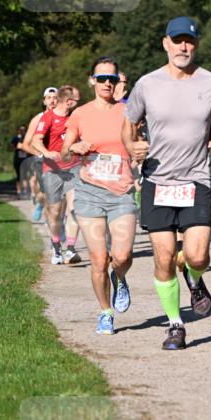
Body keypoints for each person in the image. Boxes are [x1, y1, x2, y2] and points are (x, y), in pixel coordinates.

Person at [122, 16, 211, 351]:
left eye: (190, 41)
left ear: (196, 44)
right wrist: (132, 147)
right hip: (157, 180)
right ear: (165, 43)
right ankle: (175, 324)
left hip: (197, 179)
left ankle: (195, 278)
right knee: (164, 256)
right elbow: (129, 124)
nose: (183, 46)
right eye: (177, 40)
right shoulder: (147, 84)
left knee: (197, 256)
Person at [60, 58, 137, 334]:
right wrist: (76, 146)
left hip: (122, 190)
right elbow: (65, 151)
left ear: (118, 82)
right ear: (92, 80)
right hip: (89, 191)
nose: (107, 83)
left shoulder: (129, 111)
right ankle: (105, 312)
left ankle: (121, 277)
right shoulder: (80, 114)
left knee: (122, 255)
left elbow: (137, 144)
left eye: (112, 79)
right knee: (98, 259)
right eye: (102, 78)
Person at [30, 85, 82, 264]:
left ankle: (71, 249)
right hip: (53, 169)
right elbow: (35, 141)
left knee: (75, 207)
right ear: (68, 101)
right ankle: (56, 247)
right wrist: (47, 152)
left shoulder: (75, 118)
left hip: (74, 168)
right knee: (55, 212)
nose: (78, 104)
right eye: (76, 101)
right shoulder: (48, 117)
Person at [21, 87, 58, 221]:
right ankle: (41, 205)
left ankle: (60, 224)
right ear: (44, 101)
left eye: (55, 98)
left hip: (60, 161)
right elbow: (25, 144)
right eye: (49, 98)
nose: (52, 101)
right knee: (44, 193)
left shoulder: (66, 118)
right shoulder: (38, 119)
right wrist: (42, 154)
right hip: (42, 160)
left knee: (62, 194)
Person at [11, 125, 29, 197]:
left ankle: (25, 191)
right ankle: (18, 191)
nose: (22, 131)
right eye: (21, 129)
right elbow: (11, 147)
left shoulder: (27, 138)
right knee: (19, 176)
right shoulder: (15, 138)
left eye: (24, 129)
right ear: (18, 130)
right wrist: (17, 147)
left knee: (25, 175)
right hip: (17, 159)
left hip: (26, 159)